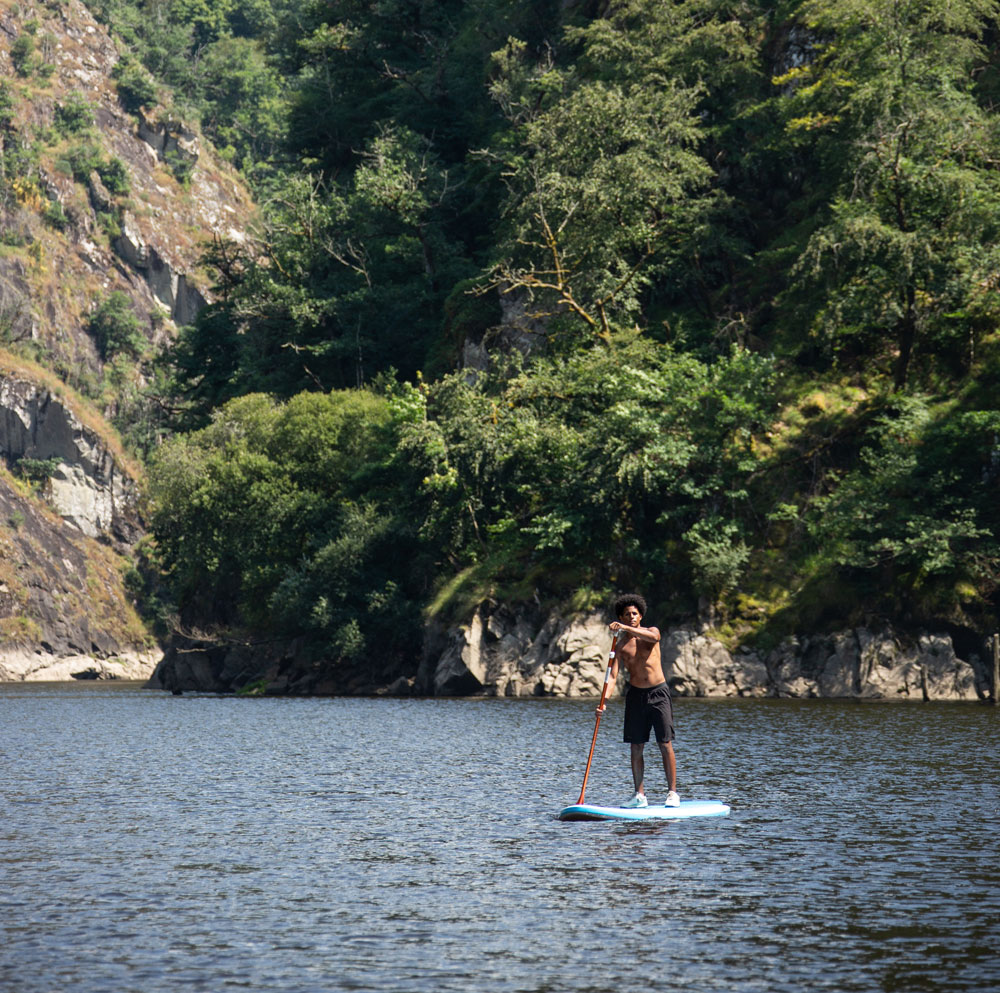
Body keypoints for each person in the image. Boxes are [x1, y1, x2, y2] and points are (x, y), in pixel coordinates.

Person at [600, 593, 679, 808]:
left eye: (635, 613)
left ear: (641, 615)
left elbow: (654, 638)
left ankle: (672, 793)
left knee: (664, 743)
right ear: (621, 617)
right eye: (627, 615)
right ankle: (639, 795)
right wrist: (603, 701)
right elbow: (613, 676)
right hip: (636, 696)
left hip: (659, 693)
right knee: (636, 746)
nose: (632, 617)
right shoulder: (620, 646)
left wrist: (625, 628)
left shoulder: (652, 632)